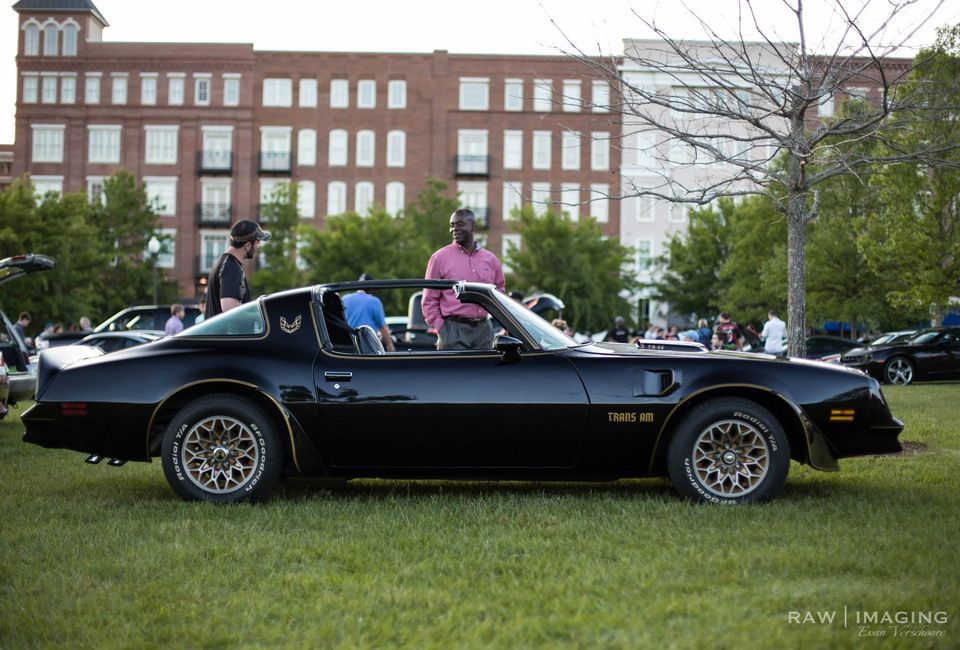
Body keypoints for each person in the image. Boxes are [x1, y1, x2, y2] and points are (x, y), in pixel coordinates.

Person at [422, 208, 505, 350]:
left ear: (473, 226)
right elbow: (429, 299)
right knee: (455, 373)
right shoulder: (439, 258)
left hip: (484, 331)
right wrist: (442, 328)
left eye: (460, 224)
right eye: (452, 225)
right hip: (452, 330)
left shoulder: (491, 260)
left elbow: (500, 293)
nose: (454, 229)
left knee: (486, 372)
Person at [205, 220, 271, 318]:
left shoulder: (224, 262)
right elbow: (229, 307)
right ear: (248, 246)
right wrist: (259, 315)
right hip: (225, 332)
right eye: (257, 242)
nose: (258, 247)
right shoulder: (231, 266)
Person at [342, 273, 396, 352]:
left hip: (346, 348)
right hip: (366, 348)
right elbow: (383, 328)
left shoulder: (344, 298)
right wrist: (390, 346)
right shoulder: (374, 301)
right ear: (371, 287)